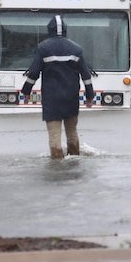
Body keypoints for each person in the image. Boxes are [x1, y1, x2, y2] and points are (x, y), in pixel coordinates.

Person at [21, 14, 95, 159]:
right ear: (65, 30)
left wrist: (26, 91)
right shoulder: (77, 49)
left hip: (51, 99)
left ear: (49, 30)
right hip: (71, 98)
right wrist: (90, 96)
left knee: (54, 135)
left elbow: (34, 72)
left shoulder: (43, 48)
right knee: (72, 131)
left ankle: (57, 164)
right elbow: (86, 75)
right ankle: (74, 159)